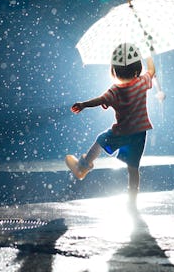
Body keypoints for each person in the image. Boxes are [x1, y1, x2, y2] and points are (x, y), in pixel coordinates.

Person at [66, 43, 155, 206]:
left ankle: (83, 167)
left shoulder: (115, 90)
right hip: (139, 134)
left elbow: (99, 100)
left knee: (101, 140)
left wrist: (83, 104)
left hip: (121, 132)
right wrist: (149, 54)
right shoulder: (142, 83)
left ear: (114, 69)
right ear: (137, 67)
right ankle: (132, 199)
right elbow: (152, 72)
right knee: (133, 168)